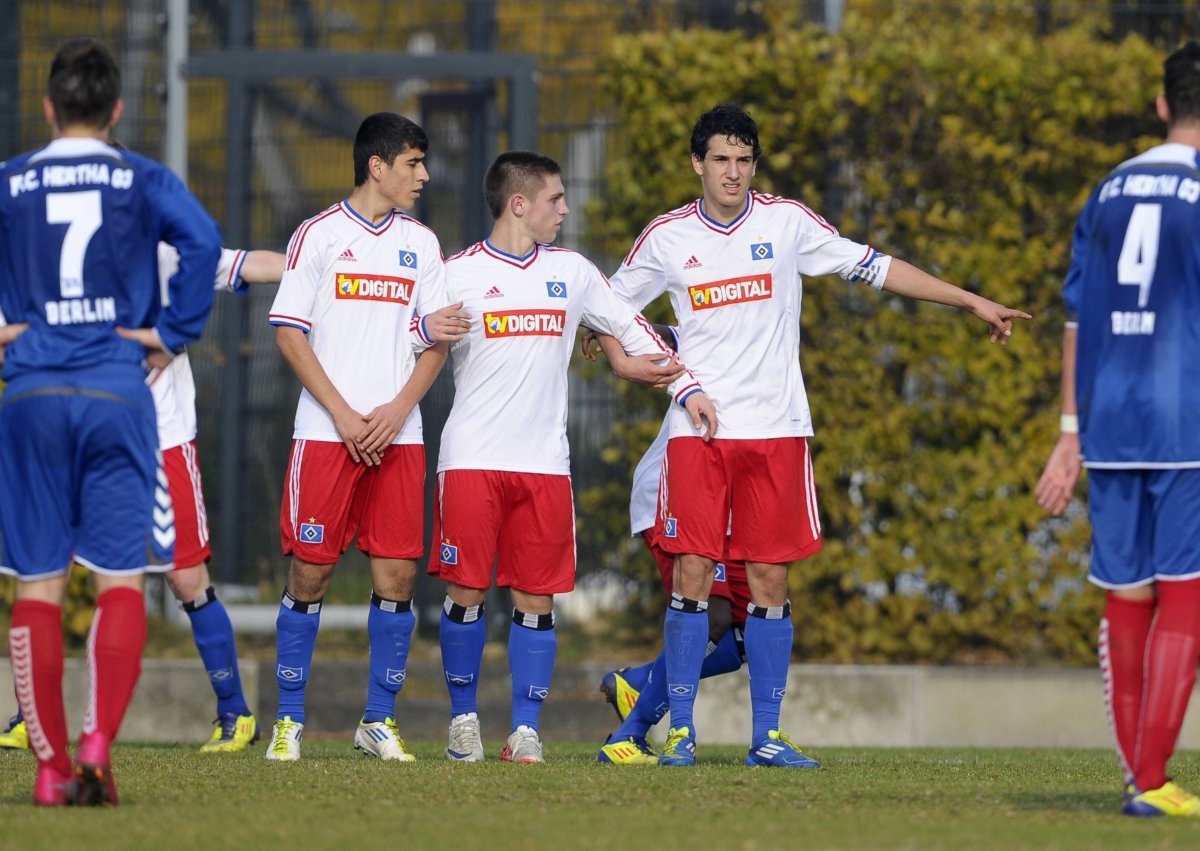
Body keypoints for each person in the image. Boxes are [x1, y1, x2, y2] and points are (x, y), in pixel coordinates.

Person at [609, 102, 1029, 767]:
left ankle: (767, 737)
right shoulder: (665, 236)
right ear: (698, 163)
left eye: (744, 160)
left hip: (777, 429)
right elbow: (607, 308)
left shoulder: (787, 222)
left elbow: (877, 265)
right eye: (720, 159)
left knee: (769, 583)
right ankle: (681, 732)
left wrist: (970, 299)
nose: (733, 173)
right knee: (692, 573)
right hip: (697, 430)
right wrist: (625, 360)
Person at [432, 150, 714, 764]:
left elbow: (631, 326)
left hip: (544, 467)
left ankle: (526, 731)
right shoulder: (454, 274)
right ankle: (463, 723)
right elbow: (408, 339)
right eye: (555, 199)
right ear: (519, 204)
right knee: (466, 592)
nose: (565, 208)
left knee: (538, 598)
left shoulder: (573, 272)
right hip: (471, 459)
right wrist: (423, 330)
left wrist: (683, 387)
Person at [0, 38, 220, 805]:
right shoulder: (138, 175)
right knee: (121, 576)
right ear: (117, 110)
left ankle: (51, 768)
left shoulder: (11, 180)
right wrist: (170, 329)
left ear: (49, 107)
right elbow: (200, 239)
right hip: (113, 389)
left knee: (39, 583)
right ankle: (97, 739)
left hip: (29, 394)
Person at [0, 246, 285, 756]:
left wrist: (328, 262)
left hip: (159, 440)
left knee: (185, 577)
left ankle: (235, 713)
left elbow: (254, 265)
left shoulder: (158, 253)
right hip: (73, 439)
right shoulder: (40, 253)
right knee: (49, 572)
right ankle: (30, 716)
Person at [265, 112, 467, 762]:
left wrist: (394, 410)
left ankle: (377, 721)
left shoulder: (424, 246)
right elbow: (289, 333)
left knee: (398, 575)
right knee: (310, 571)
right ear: (377, 166)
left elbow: (436, 340)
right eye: (413, 162)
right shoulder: (317, 236)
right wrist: (345, 415)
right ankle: (289, 722)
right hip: (326, 435)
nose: (424, 175)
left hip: (398, 436)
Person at [1037, 41, 1200, 818]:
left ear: (1163, 104)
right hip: (1185, 420)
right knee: (1186, 598)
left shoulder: (1108, 190)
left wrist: (1070, 431)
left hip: (1108, 419)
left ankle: (1143, 780)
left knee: (1127, 595)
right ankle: (1154, 777)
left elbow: (1078, 317)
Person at [583, 327, 755, 766]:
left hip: (732, 513)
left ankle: (639, 682)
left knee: (746, 639)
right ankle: (630, 734)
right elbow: (662, 337)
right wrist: (604, 333)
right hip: (673, 493)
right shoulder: (717, 323)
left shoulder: (770, 344)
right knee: (711, 617)